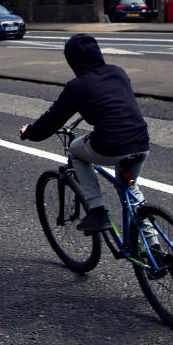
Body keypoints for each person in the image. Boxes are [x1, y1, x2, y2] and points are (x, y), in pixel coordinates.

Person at [19, 33, 154, 239]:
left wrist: (29, 132)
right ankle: (155, 247)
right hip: (141, 142)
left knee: (76, 151)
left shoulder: (77, 86)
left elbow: (51, 120)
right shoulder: (118, 72)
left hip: (110, 146)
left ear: (72, 61)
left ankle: (97, 210)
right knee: (129, 188)